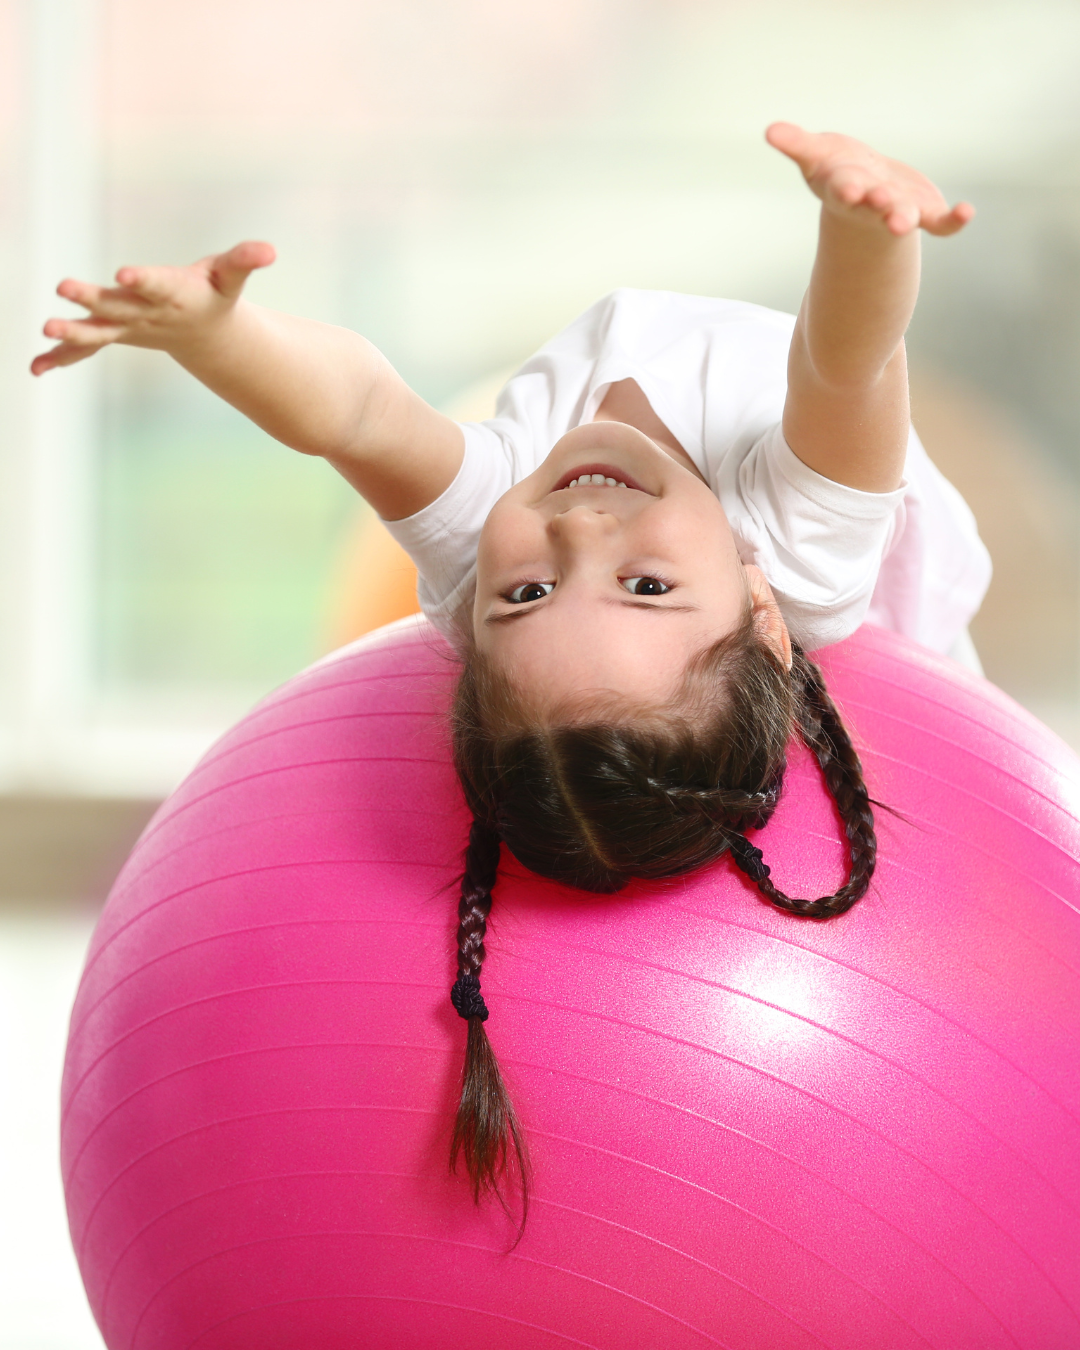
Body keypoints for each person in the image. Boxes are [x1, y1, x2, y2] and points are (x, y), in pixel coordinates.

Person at [32, 124, 990, 1215]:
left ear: (468, 632)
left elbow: (354, 412)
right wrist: (866, 234)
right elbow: (844, 361)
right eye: (647, 588)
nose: (581, 531)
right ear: (761, 610)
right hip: (921, 642)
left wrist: (216, 340)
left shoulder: (482, 533)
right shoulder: (802, 543)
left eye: (527, 597)